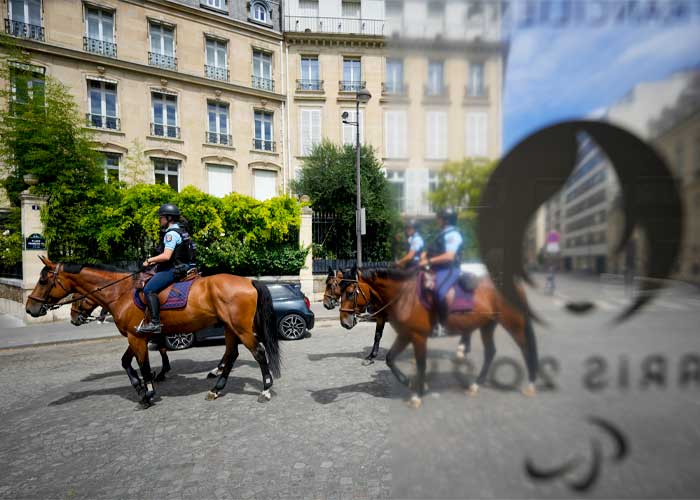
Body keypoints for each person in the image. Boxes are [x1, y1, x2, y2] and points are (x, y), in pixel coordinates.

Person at [136, 203, 195, 335]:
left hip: (175, 268)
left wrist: (148, 261)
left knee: (149, 289)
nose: (159, 220)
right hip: (185, 265)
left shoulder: (171, 234)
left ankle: (155, 323)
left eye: (161, 217)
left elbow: (166, 256)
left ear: (169, 218)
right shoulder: (182, 230)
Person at [419, 208, 464, 325]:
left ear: (446, 220)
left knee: (440, 291)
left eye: (439, 218)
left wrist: (428, 261)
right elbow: (432, 249)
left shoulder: (452, 235)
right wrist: (424, 255)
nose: (437, 221)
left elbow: (449, 256)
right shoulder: (441, 234)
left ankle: (443, 323)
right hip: (437, 268)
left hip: (449, 269)